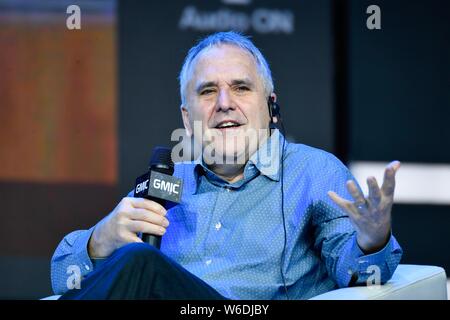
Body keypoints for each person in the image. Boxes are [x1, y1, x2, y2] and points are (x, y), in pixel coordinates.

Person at [51, 31, 402, 300]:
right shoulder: (169, 180)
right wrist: (100, 240)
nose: (224, 103)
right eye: (207, 92)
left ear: (271, 108)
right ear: (187, 120)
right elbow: (63, 277)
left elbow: (362, 272)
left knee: (139, 262)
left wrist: (371, 241)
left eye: (240, 88)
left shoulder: (314, 173)